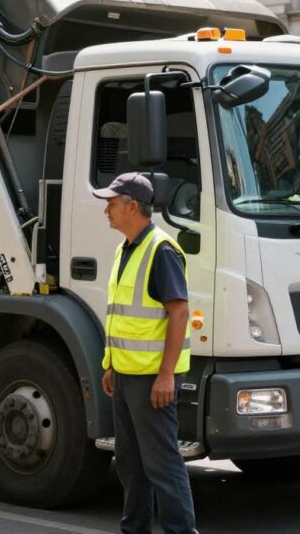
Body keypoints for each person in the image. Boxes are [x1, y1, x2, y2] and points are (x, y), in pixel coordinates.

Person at [94, 172, 197, 534]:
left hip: (152, 377)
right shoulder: (126, 248)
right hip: (125, 375)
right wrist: (111, 366)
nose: (107, 209)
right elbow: (122, 315)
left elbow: (179, 313)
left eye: (111, 203)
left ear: (132, 206)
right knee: (130, 464)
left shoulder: (161, 250)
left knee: (161, 465)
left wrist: (166, 375)